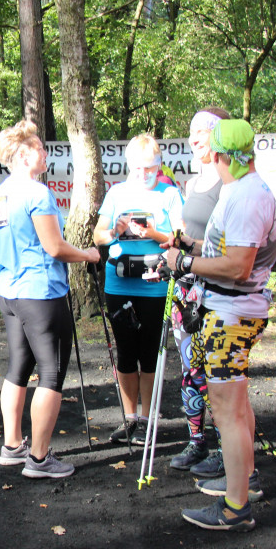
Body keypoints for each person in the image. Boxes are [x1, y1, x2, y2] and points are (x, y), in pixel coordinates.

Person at [163, 118, 276, 531]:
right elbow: (227, 248)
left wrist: (187, 263)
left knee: (227, 412)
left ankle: (235, 507)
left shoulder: (247, 196)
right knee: (236, 406)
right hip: (231, 309)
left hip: (232, 313)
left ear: (221, 155)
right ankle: (242, 482)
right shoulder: (240, 189)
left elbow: (238, 264)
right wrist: (189, 245)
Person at [0, 121, 101, 478]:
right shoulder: (37, 193)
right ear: (23, 155)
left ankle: (12, 446)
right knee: (50, 374)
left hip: (8, 290)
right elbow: (55, 247)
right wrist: (89, 255)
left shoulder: (0, 194)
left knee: (18, 368)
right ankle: (38, 459)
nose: (45, 153)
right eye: (39, 147)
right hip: (40, 293)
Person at [93, 133, 184, 446]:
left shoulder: (169, 194)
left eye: (151, 168)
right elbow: (98, 235)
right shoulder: (117, 192)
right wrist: (115, 231)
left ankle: (148, 418)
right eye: (138, 168)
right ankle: (130, 418)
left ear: (159, 166)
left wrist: (152, 231)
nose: (144, 174)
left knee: (150, 354)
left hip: (155, 285)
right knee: (126, 353)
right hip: (119, 283)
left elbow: (180, 238)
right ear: (128, 166)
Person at [170, 108, 229, 473]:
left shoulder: (229, 184)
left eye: (203, 131)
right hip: (186, 290)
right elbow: (193, 238)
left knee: (219, 374)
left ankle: (228, 450)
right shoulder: (192, 184)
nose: (194, 139)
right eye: (191, 131)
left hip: (217, 289)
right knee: (190, 369)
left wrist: (189, 251)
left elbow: (226, 246)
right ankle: (197, 443)